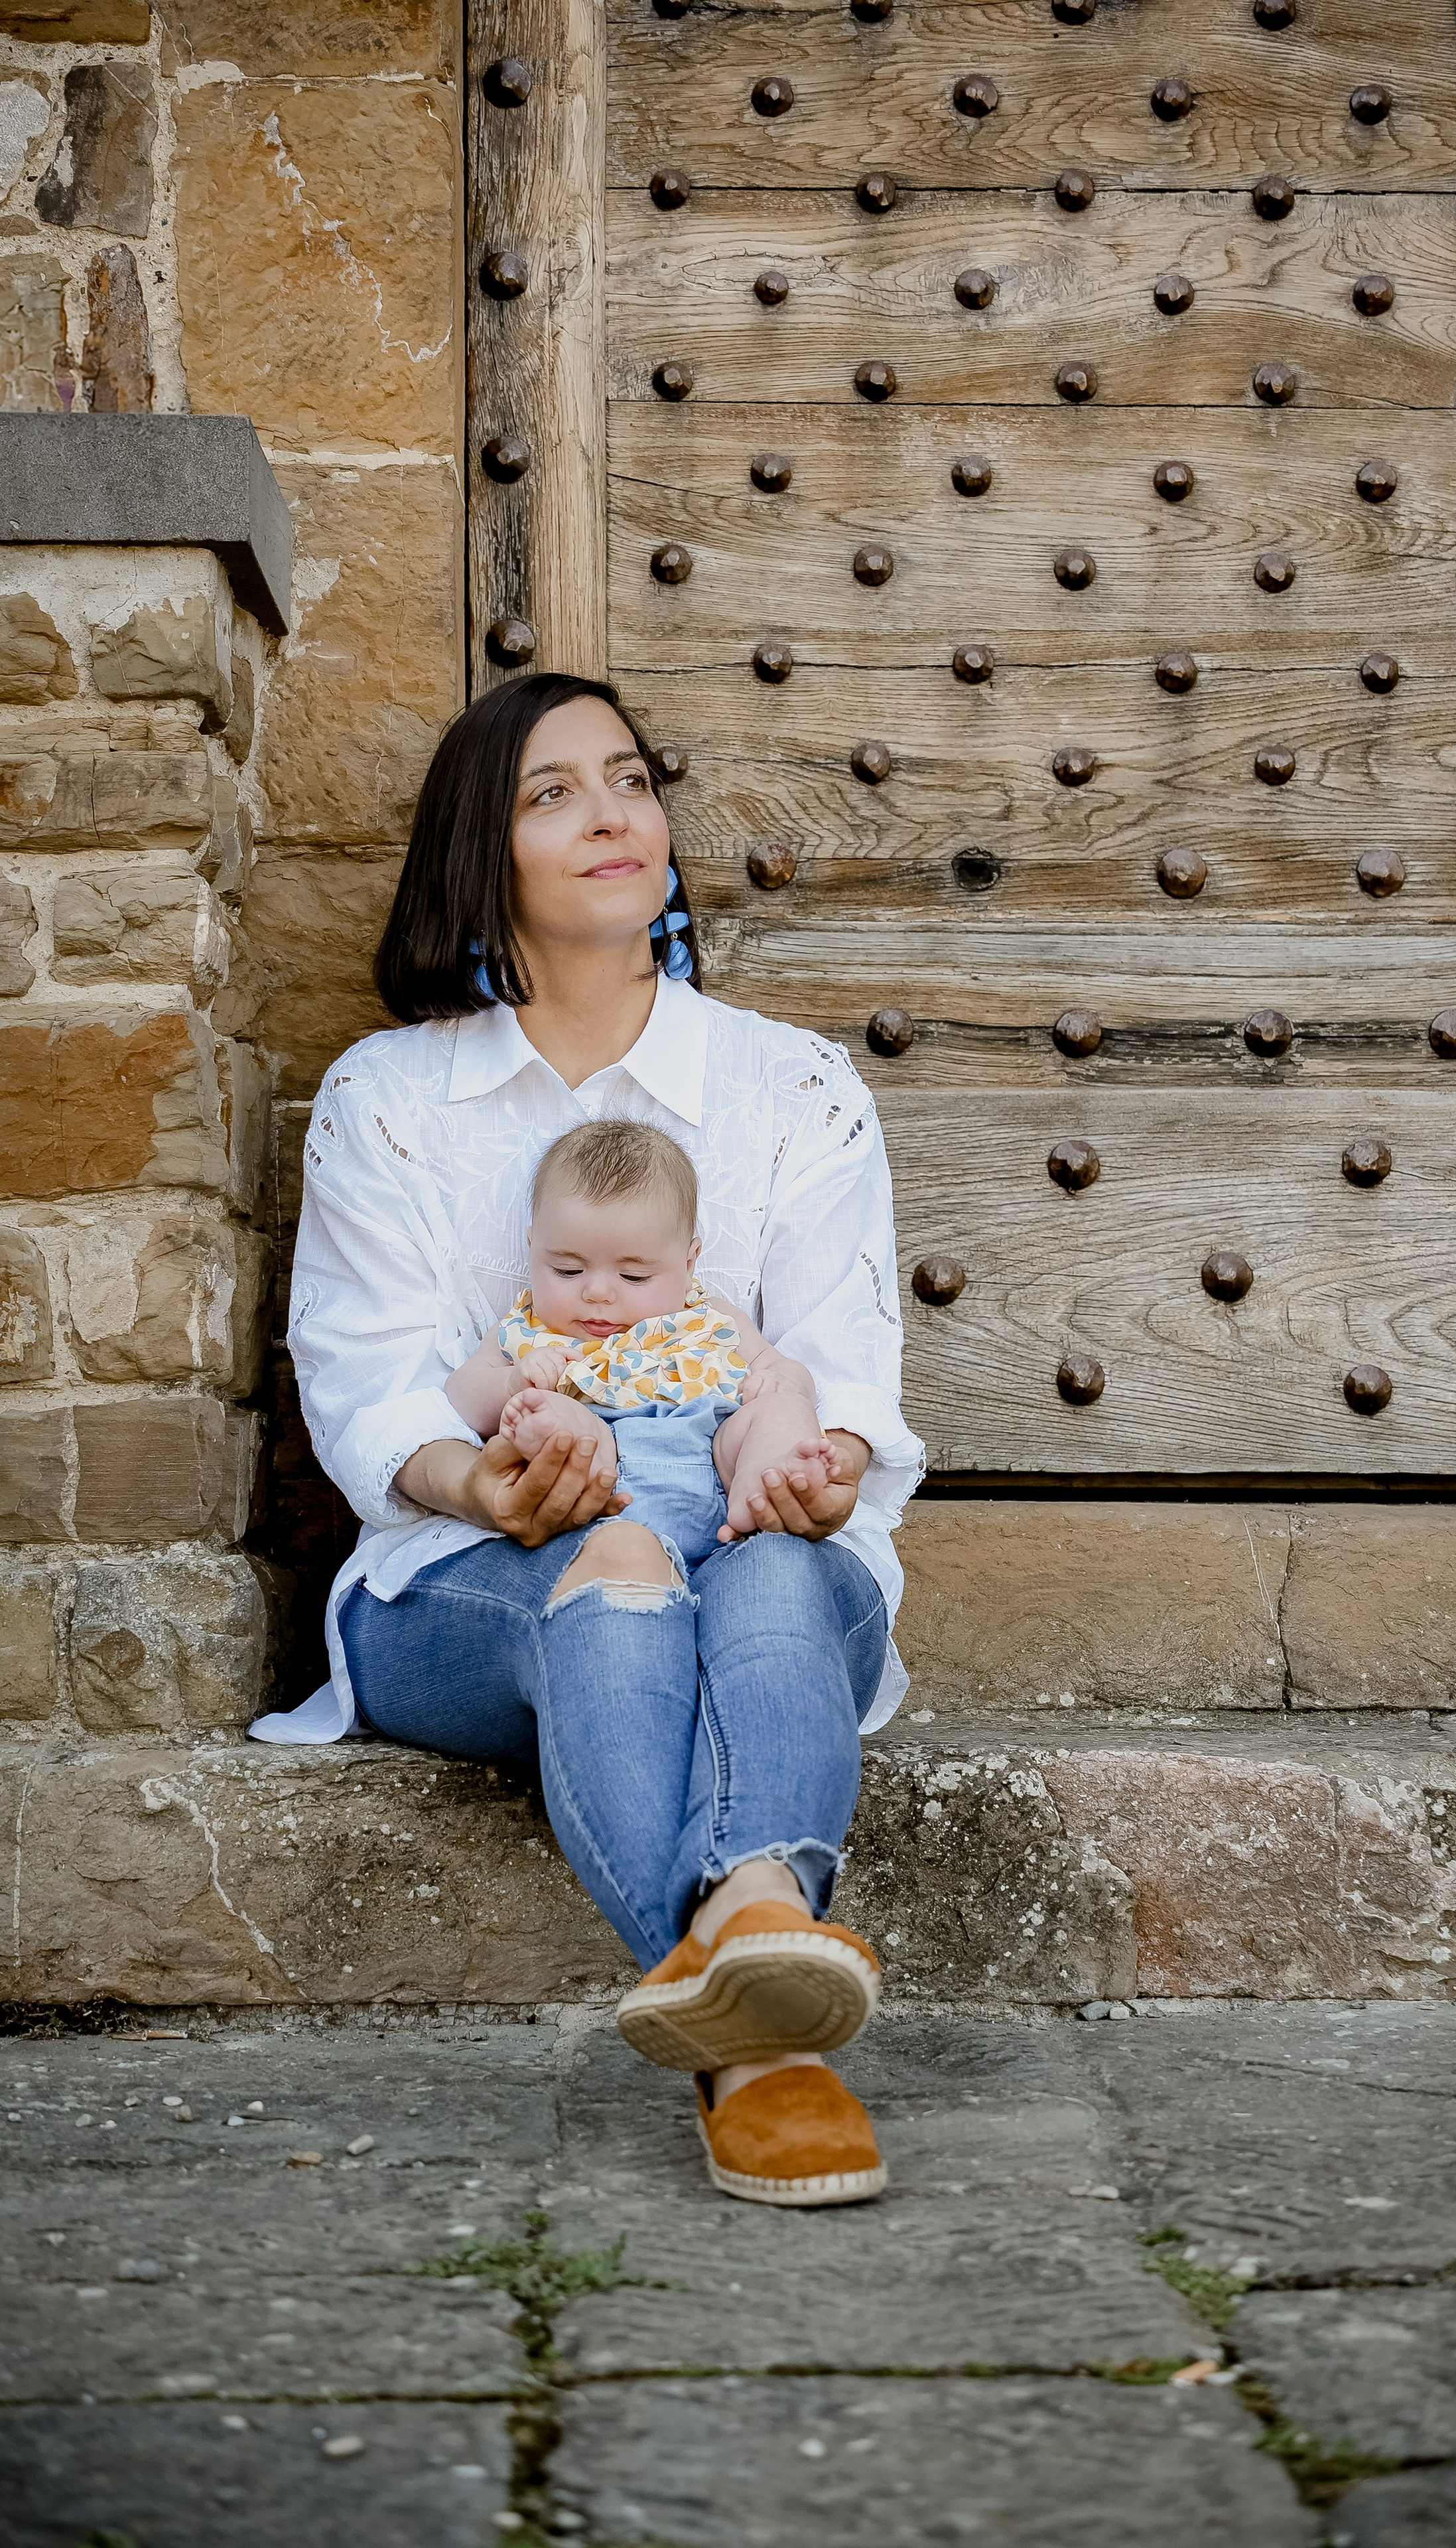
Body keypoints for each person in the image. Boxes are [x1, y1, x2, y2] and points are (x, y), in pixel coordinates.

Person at [251, 671, 925, 2210]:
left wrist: (797, 1458)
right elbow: (366, 1395)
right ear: (478, 856)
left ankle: (752, 1958)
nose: (611, 813)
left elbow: (843, 1373)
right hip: (462, 1579)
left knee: (756, 1566)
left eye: (627, 777)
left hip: (766, 1550)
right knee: (613, 1549)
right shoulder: (391, 1097)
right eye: (549, 792)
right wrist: (480, 1477)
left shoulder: (791, 1086)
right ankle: (760, 2011)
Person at [445, 1115, 836, 1545]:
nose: (596, 1293)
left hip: (715, 1462)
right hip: (592, 1480)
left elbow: (784, 1370)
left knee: (782, 1412)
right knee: (556, 1420)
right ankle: (558, 1442)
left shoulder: (714, 1320)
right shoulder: (524, 1330)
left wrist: (781, 1382)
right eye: (568, 1270)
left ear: (688, 1265)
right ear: (532, 1247)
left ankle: (767, 1489)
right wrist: (511, 1385)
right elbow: (460, 1393)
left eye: (633, 1277)